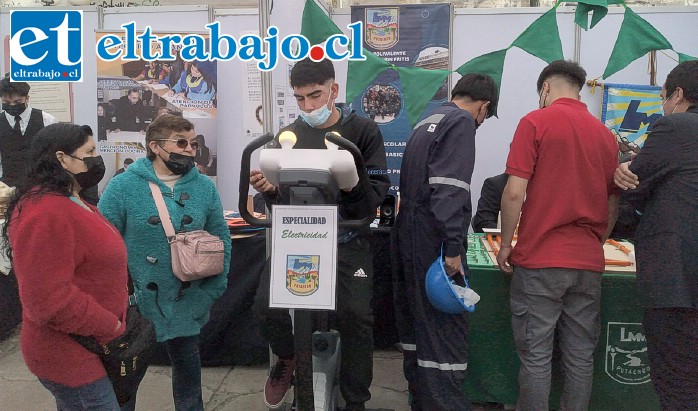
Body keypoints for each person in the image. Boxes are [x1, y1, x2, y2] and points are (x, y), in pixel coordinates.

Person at [249, 58, 389, 411]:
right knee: (267, 305)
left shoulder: (363, 131)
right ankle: (286, 357)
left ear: (334, 91)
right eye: (300, 99)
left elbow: (375, 193)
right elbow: (279, 200)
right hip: (298, 238)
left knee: (357, 316)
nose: (308, 106)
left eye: (315, 96)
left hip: (346, 237)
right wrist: (268, 190)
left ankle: (356, 399)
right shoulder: (288, 136)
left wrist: (352, 185)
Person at [496, 60, 619, 411]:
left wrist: (506, 244)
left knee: (536, 357)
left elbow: (514, 192)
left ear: (545, 88)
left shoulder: (535, 122)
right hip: (587, 262)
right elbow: (614, 201)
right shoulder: (604, 134)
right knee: (580, 357)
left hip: (540, 259)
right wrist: (596, 242)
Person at [98, 114, 231, 411]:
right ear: (155, 146)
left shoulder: (204, 187)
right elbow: (103, 243)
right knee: (126, 378)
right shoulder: (123, 186)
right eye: (181, 142)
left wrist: (212, 290)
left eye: (193, 144)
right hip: (138, 303)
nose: (189, 150)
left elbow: (220, 236)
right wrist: (115, 297)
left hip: (188, 299)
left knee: (188, 375)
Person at [392, 73, 497, 410]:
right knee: (443, 329)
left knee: (416, 329)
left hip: (407, 237)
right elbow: (450, 190)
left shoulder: (428, 120)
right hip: (433, 241)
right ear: (484, 106)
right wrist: (453, 248)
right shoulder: (461, 123)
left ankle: (420, 400)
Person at [2, 123, 126, 410]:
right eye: (90, 152)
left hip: (88, 346)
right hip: (70, 354)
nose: (97, 159)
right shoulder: (45, 213)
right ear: (61, 159)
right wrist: (111, 325)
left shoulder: (70, 199)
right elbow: (47, 300)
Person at [613, 60, 698, 410]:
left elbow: (635, 185)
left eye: (663, 97)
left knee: (677, 382)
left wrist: (623, 169)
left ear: (677, 95)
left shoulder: (675, 125)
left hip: (678, 281)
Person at [0, 78, 59, 187]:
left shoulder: (47, 120)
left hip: (40, 186)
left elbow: (56, 156)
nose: (12, 106)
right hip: (5, 186)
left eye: (17, 102)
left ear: (27, 98)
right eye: (6, 103)